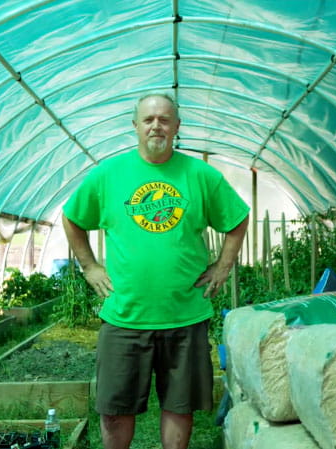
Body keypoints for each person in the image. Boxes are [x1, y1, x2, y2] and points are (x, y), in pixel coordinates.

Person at [61, 93, 249, 449]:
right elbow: (72, 218)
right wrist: (89, 266)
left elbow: (237, 219)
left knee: (180, 406)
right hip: (124, 315)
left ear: (177, 126)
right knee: (114, 410)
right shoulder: (108, 175)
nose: (156, 126)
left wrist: (223, 266)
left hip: (185, 313)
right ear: (135, 126)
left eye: (164, 119)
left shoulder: (201, 175)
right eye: (148, 119)